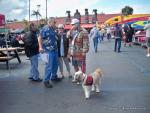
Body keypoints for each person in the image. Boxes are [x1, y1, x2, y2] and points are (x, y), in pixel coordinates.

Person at [38, 17, 61, 88]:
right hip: (48, 50)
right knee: (49, 66)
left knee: (55, 64)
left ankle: (54, 76)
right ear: (49, 22)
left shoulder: (53, 29)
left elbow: (54, 37)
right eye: (54, 22)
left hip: (54, 49)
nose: (55, 24)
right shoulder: (44, 29)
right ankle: (46, 80)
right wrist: (40, 47)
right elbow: (39, 38)